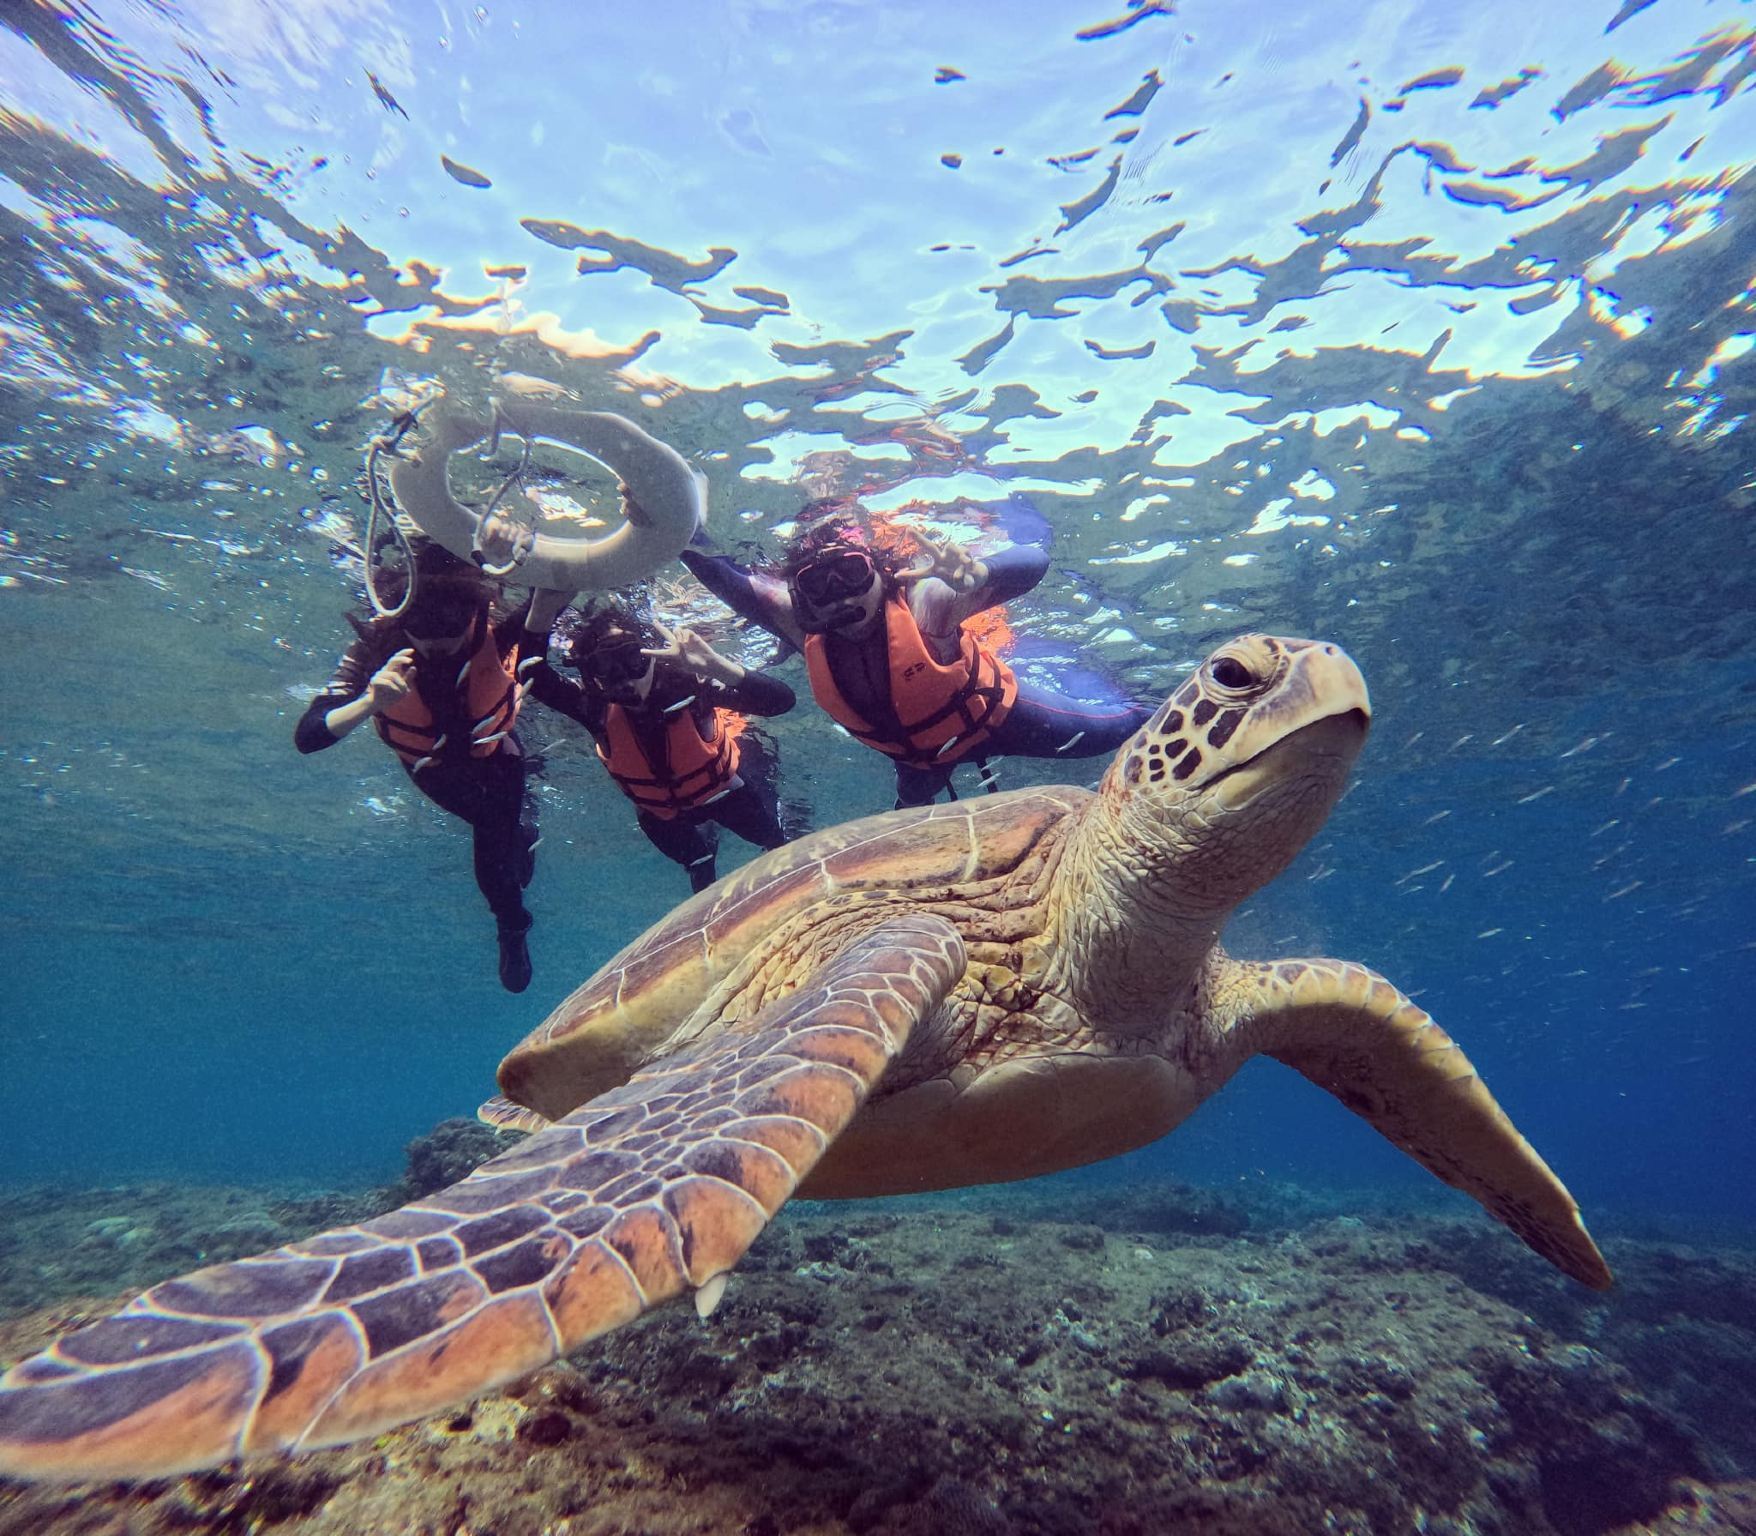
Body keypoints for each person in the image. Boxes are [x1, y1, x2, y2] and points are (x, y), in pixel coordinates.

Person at [679, 501, 1152, 807]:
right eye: (817, 586)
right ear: (800, 597)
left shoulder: (927, 599)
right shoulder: (797, 622)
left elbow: (1034, 564)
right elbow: (717, 572)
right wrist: (677, 522)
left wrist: (982, 573)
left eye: (853, 575)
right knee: (908, 823)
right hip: (919, 760)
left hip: (1007, 718)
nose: (841, 597)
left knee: (1124, 726)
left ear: (883, 574)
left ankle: (1169, 702)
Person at [294, 540, 569, 993]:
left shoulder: (494, 629)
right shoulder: (372, 651)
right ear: (400, 615)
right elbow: (307, 737)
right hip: (432, 768)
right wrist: (368, 701)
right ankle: (513, 916)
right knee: (497, 842)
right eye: (420, 622)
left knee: (498, 847)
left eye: (452, 621)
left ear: (474, 609)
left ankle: (511, 921)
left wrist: (516, 545)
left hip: (499, 756)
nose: (436, 638)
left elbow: (560, 588)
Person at [530, 605, 797, 892]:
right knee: (700, 866)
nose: (626, 679)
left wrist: (715, 665)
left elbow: (780, 702)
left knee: (776, 843)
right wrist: (544, 602)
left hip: (725, 793)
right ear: (591, 672)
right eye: (606, 668)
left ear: (652, 654)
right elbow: (531, 673)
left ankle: (787, 817)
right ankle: (707, 846)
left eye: (633, 658)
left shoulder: (691, 687)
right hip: (662, 817)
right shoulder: (593, 708)